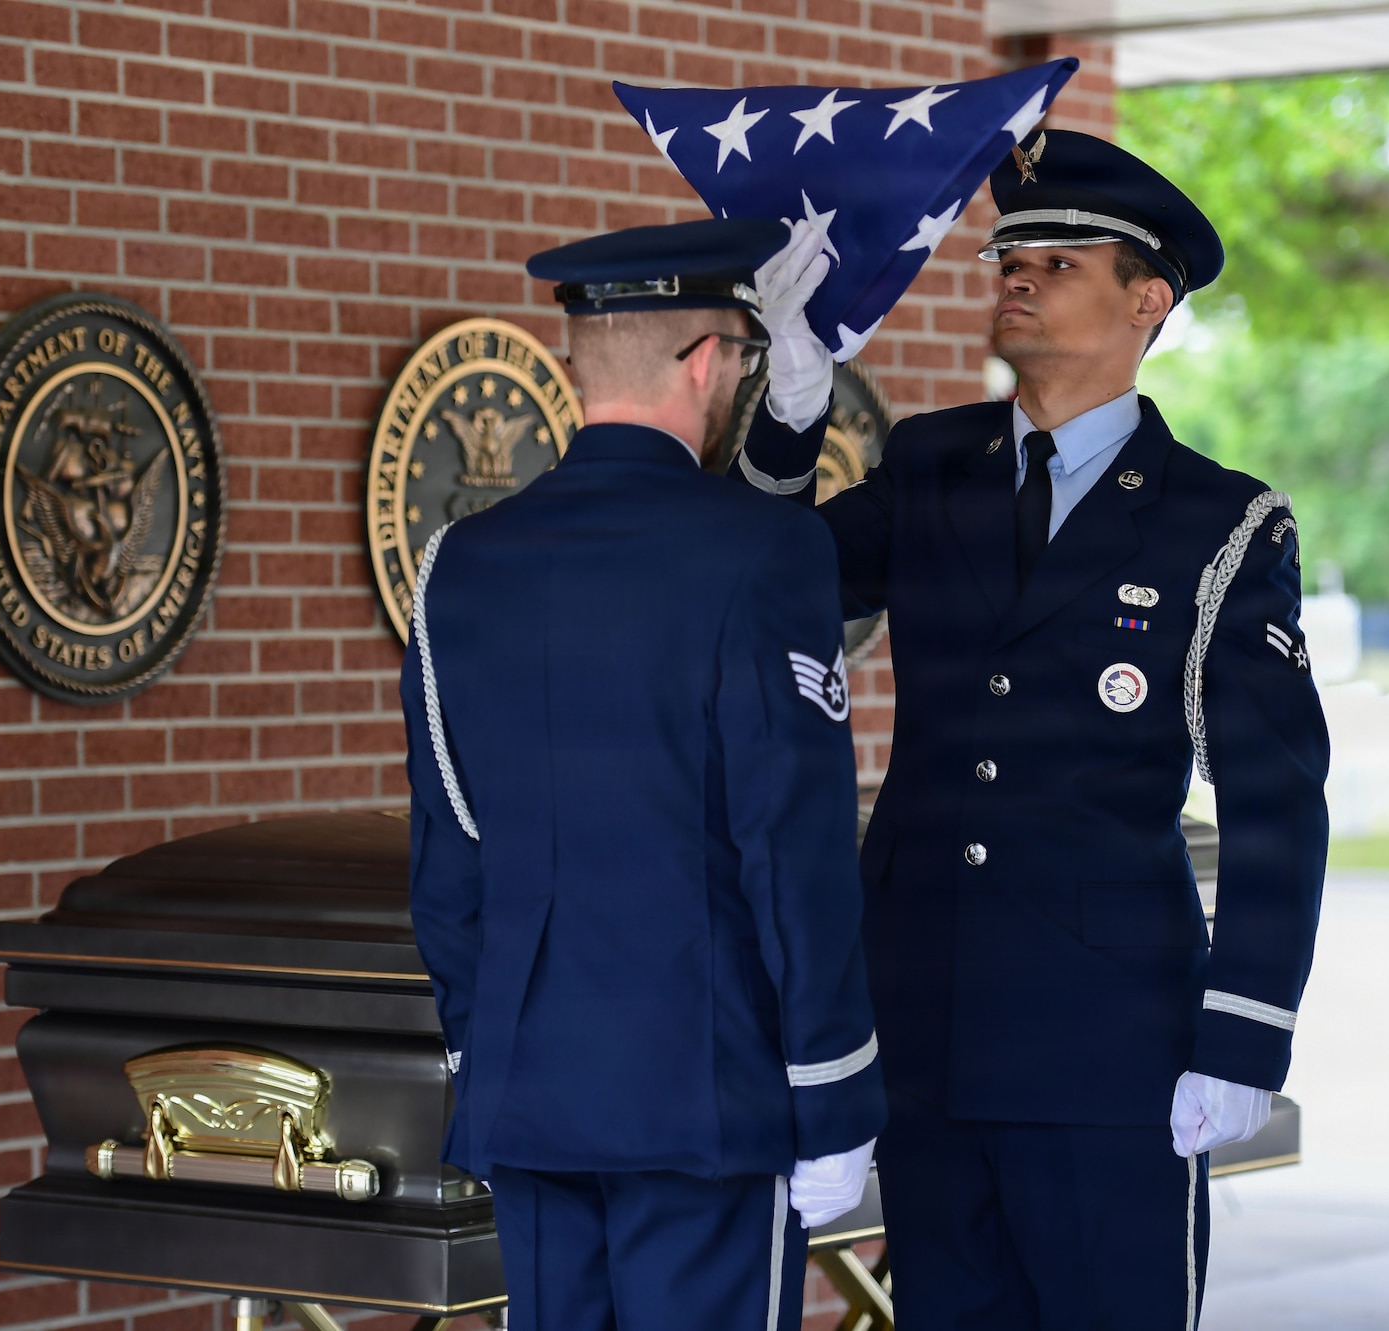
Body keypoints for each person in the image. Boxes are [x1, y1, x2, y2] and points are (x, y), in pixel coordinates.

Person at [733, 131, 1332, 1328]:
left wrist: (1244, 1031)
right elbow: (760, 581)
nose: (1016, 272)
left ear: (1145, 298)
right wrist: (788, 415)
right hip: (928, 1021)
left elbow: (1274, 799)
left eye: (1058, 260)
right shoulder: (930, 462)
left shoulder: (1220, 520)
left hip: (1111, 1043)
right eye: (1009, 254)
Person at [401, 217, 888, 1331]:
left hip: (529, 1093)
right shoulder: (765, 551)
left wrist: (495, 1058)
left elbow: (449, 854)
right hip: (703, 1101)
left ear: (577, 362)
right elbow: (794, 851)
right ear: (709, 361)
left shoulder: (458, 563)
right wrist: (831, 1086)